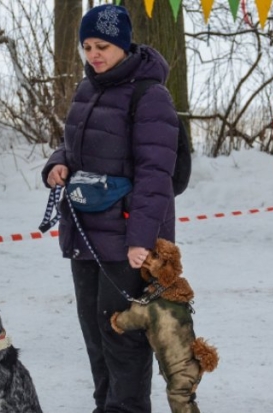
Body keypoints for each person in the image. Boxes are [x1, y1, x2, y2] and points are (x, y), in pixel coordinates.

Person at [41, 4, 179, 413]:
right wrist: (58, 163)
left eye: (102, 45)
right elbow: (75, 146)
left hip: (126, 239)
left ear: (122, 44)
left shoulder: (150, 94)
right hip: (85, 231)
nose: (93, 54)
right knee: (96, 336)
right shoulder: (88, 89)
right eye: (87, 46)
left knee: (123, 336)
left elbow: (157, 174)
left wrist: (142, 240)